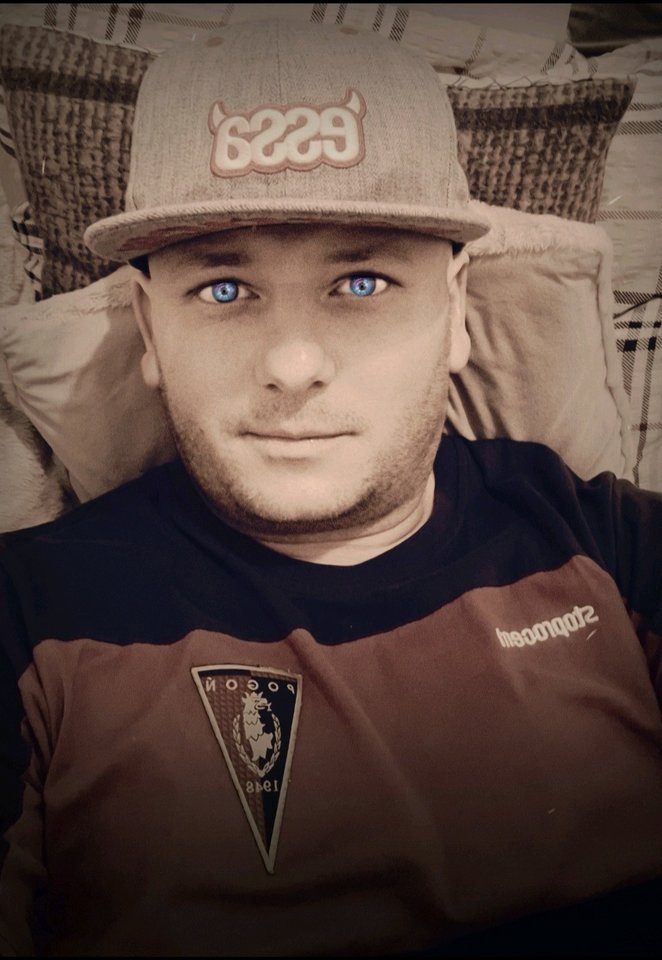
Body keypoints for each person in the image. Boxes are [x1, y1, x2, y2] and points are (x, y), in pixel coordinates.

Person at [1, 18, 661, 958]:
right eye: (223, 290)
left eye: (362, 282)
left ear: (457, 312)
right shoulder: (30, 614)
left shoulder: (615, 550)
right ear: (148, 330)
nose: (293, 364)